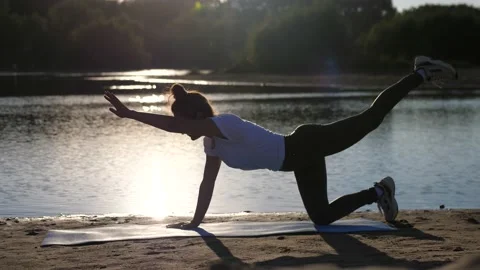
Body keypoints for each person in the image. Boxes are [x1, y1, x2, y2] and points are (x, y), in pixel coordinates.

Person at [104, 56, 457, 229]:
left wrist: (131, 114)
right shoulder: (212, 146)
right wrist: (195, 223)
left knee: (370, 120)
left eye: (185, 123)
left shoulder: (223, 125)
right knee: (321, 218)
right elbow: (206, 184)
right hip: (297, 161)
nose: (183, 131)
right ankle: (380, 192)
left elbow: (171, 125)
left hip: (305, 143)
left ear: (196, 116)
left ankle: (420, 72)